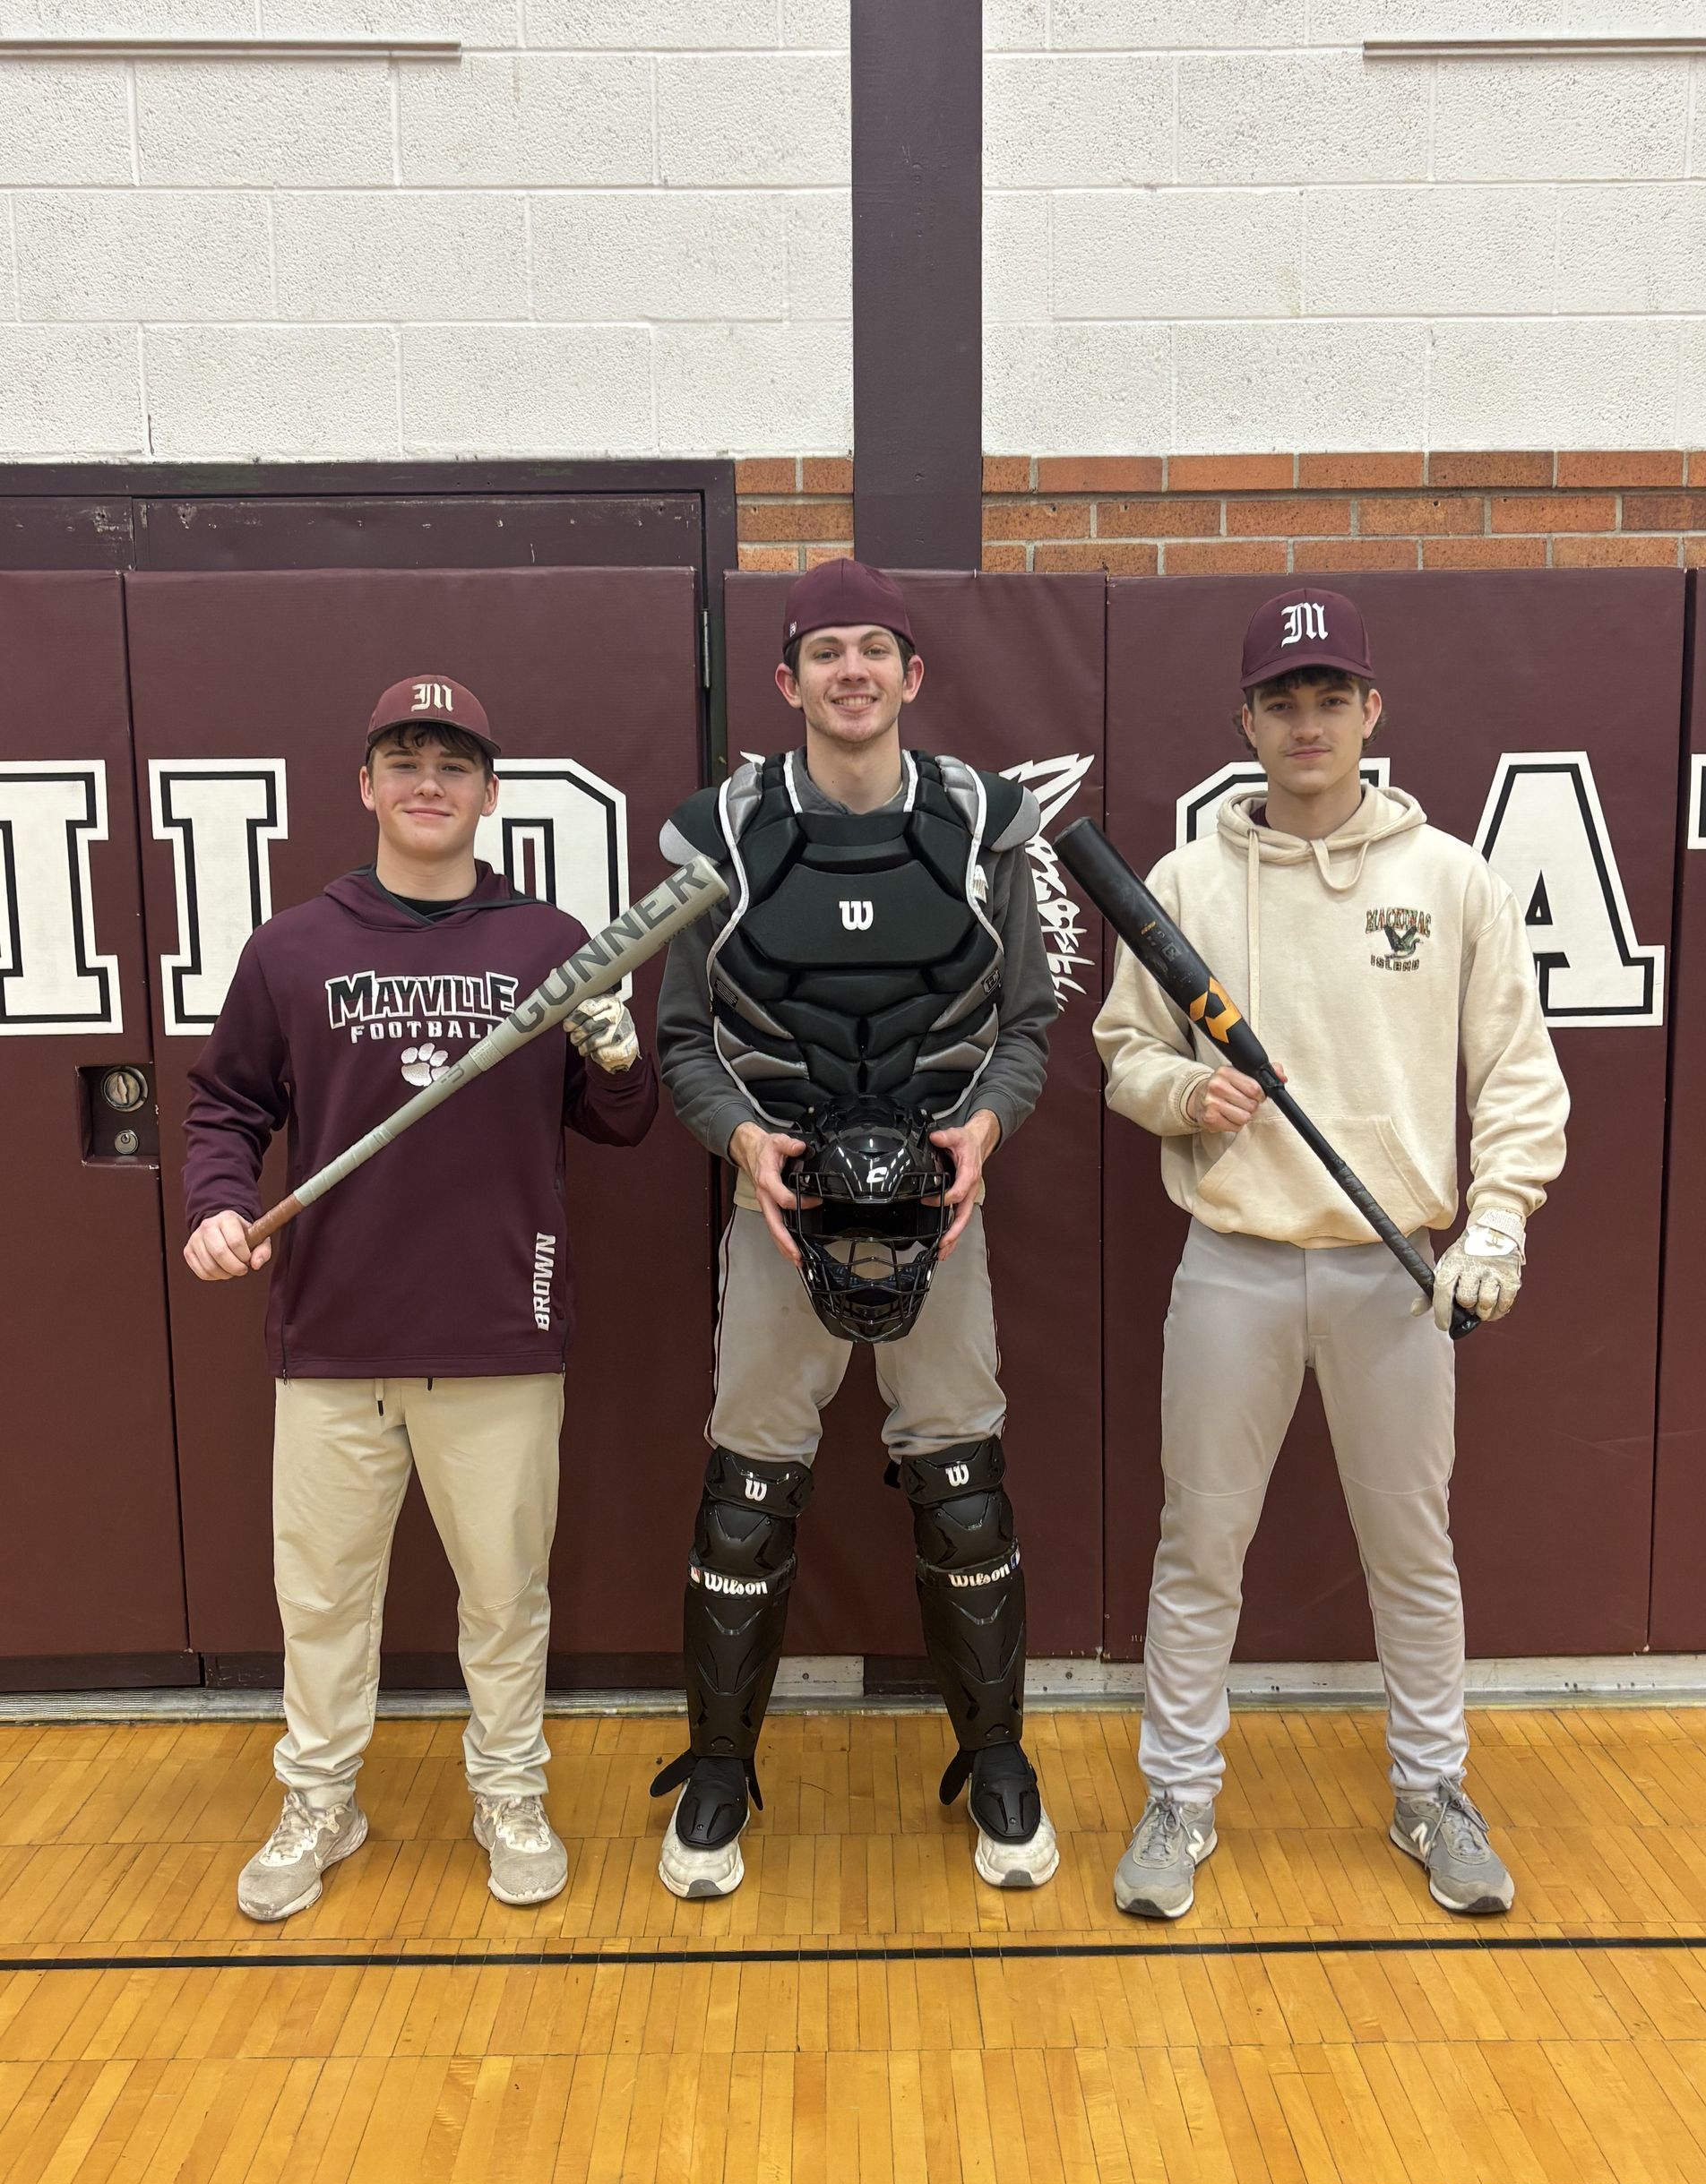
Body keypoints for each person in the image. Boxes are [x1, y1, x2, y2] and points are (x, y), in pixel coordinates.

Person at [1094, 587, 1568, 1921]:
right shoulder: (1187, 882)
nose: (1307, 723)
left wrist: (1496, 1222)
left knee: (1413, 1548)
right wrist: (1182, 1097)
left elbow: (1521, 1080)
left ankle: (1433, 1791)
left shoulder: (1450, 879)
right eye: (1280, 701)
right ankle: (1179, 1799)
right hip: (1235, 1263)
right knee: (1202, 1547)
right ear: (1245, 720)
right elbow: (1124, 1051)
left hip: (1392, 1273)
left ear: (1372, 711)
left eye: (1329, 698)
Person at [183, 675, 658, 1922]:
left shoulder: (550, 946)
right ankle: (323, 1801)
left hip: (500, 1329)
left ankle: (508, 1791)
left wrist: (614, 1045)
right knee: (323, 1598)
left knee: (504, 1597)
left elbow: (621, 1124)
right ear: (367, 786)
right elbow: (226, 1106)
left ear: (489, 793)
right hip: (333, 1339)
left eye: (452, 763)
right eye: (404, 760)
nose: (427, 783)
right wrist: (217, 1206)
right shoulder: (294, 948)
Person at [650, 556, 1062, 1900]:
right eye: (824, 652)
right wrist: (744, 1144)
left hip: (940, 1209)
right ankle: (718, 1769)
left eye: (873, 650)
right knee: (750, 1483)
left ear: (911, 674)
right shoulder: (722, 831)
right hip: (784, 1211)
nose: (851, 672)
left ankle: (996, 1760)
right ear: (786, 681)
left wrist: (985, 1131)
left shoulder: (980, 824)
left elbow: (1028, 1029)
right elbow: (682, 1040)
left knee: (960, 1477)